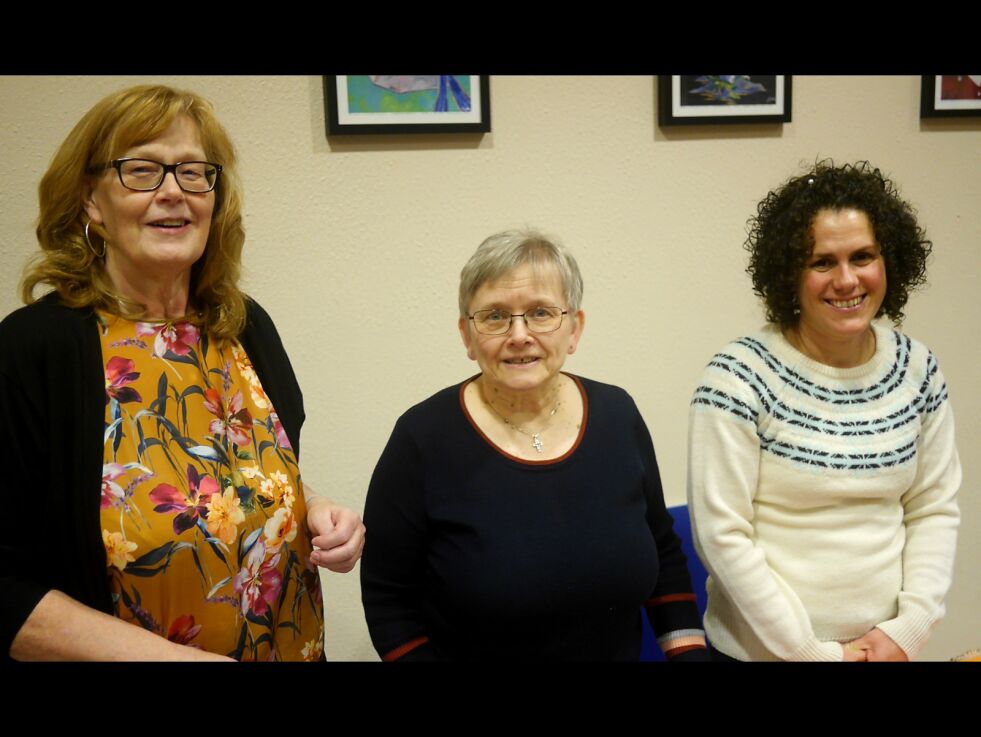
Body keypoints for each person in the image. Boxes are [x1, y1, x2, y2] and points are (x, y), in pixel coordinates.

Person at [1, 84, 365, 661]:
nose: (174, 193)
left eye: (194, 173)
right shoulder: (31, 350)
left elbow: (239, 477)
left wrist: (313, 508)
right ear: (92, 200)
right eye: (142, 171)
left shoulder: (244, 326)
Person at [360, 229, 708, 660]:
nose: (519, 334)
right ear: (467, 336)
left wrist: (689, 654)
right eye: (494, 316)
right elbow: (388, 601)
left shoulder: (618, 415)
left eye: (541, 313)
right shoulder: (422, 438)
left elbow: (662, 553)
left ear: (574, 329)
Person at [687, 160, 961, 661]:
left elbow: (933, 506)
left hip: (884, 649)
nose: (847, 280)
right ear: (789, 273)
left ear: (888, 262)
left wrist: (910, 628)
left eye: (863, 257)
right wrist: (812, 652)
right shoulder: (738, 377)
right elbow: (721, 535)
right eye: (821, 263)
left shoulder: (917, 369)